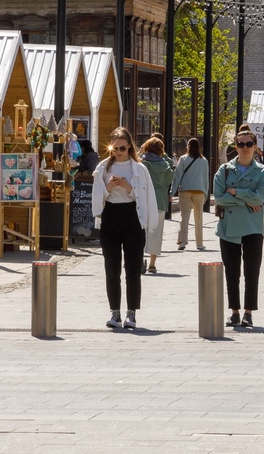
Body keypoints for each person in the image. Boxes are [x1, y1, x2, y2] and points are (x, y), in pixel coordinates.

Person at [90, 127, 158, 329]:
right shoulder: (103, 168)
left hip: (132, 217)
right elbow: (96, 198)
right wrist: (109, 188)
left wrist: (128, 187)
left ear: (129, 145)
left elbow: (146, 198)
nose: (118, 152)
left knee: (133, 268)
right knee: (111, 267)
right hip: (110, 215)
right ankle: (115, 312)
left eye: (121, 148)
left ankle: (132, 313)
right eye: (114, 148)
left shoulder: (139, 169)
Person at [213, 127, 264, 328]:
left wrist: (235, 192)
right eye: (240, 144)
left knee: (252, 271)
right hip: (228, 228)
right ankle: (234, 312)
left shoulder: (262, 171)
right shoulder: (224, 170)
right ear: (235, 147)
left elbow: (260, 198)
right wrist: (245, 200)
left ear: (255, 147)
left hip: (253, 227)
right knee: (231, 272)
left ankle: (248, 312)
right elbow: (219, 198)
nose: (244, 147)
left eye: (248, 144)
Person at [139, 137, 174, 274]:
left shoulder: (143, 164)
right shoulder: (166, 167)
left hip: (144, 200)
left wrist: (142, 151)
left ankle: (140, 260)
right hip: (160, 200)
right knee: (157, 233)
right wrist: (163, 154)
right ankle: (152, 264)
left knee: (141, 232)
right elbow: (172, 168)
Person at [171, 137, 210, 250]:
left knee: (184, 216)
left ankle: (182, 242)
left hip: (185, 190)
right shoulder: (204, 161)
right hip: (199, 191)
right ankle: (199, 243)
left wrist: (172, 192)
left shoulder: (183, 159)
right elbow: (206, 178)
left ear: (188, 146)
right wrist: (206, 193)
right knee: (198, 218)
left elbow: (177, 176)